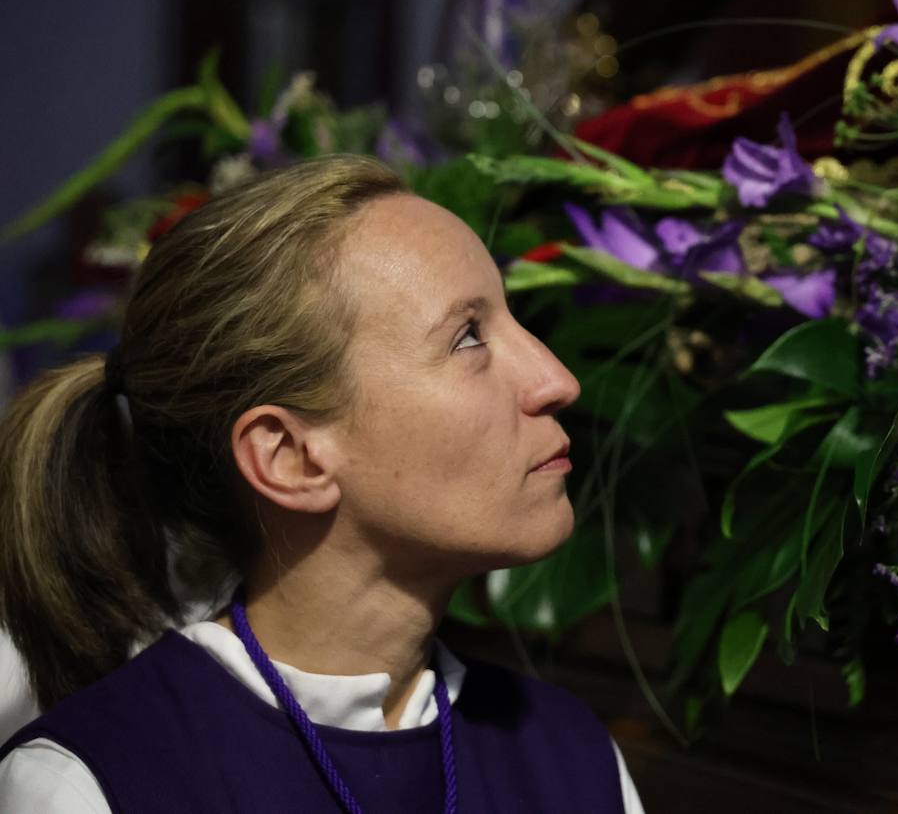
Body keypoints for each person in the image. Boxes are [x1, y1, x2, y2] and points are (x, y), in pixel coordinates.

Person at [0, 155, 645, 812]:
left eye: (513, 318)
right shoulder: (94, 785)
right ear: (290, 457)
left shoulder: (572, 757)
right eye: (468, 337)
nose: (556, 379)